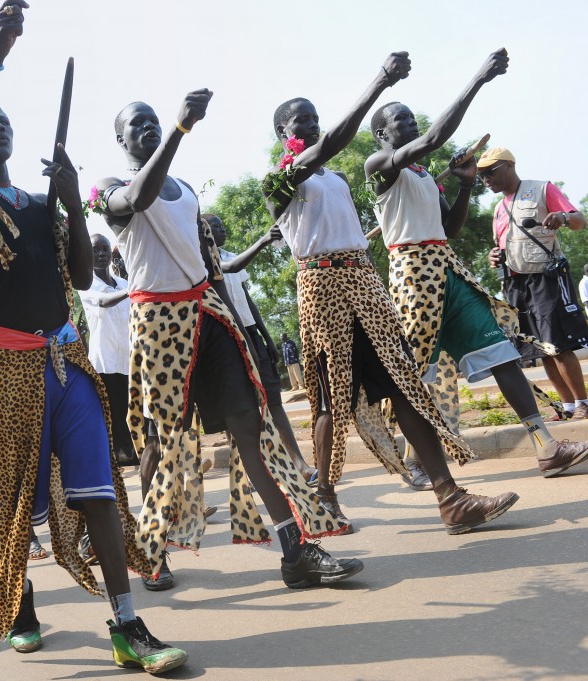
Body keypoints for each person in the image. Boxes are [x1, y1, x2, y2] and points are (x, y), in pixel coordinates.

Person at [0, 3, 187, 674]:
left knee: (98, 487)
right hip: (10, 363)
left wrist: (72, 200)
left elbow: (78, 271)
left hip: (68, 357)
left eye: (6, 121)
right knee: (14, 496)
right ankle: (17, 604)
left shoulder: (41, 203)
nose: (1, 128)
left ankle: (128, 624)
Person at [97, 89, 358, 597]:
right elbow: (139, 199)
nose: (148, 128)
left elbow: (210, 264)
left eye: (154, 121)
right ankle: (154, 552)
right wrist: (178, 128)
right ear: (120, 139)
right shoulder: (111, 187)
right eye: (138, 125)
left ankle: (295, 551)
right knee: (164, 441)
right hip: (158, 324)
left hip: (209, 316)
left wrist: (240, 330)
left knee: (251, 428)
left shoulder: (187, 188)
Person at [264, 51, 519, 535]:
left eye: (317, 119)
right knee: (329, 401)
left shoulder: (335, 179)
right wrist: (378, 84)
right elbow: (331, 146)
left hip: (366, 283)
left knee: (406, 384)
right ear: (284, 134)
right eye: (303, 121)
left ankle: (451, 499)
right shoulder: (280, 180)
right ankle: (323, 499)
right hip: (322, 290)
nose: (314, 127)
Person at [366, 51, 588, 481]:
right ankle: (413, 460)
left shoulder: (424, 174)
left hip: (446, 270)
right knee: (416, 374)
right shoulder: (379, 169)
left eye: (413, 119)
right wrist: (478, 80)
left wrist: (466, 185)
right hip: (411, 275)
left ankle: (547, 447)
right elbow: (432, 138)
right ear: (381, 134)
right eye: (402, 120)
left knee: (501, 353)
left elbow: (448, 227)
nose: (411, 124)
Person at [204, 213, 318, 484]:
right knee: (237, 409)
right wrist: (265, 240)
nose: (221, 229)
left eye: (221, 224)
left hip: (250, 332)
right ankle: (249, 473)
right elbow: (227, 267)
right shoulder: (203, 259)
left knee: (273, 399)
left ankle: (299, 464)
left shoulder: (232, 253)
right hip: (225, 339)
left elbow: (246, 298)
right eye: (215, 226)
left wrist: (265, 337)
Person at [481, 147, 588, 420]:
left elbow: (579, 221)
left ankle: (583, 403)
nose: (485, 179)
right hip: (515, 285)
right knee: (541, 349)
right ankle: (566, 406)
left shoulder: (542, 189)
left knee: (558, 344)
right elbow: (502, 244)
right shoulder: (498, 209)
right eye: (481, 176)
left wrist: (562, 218)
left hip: (545, 278)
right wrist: (495, 255)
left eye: (490, 172)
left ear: (508, 165)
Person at [76, 234, 137, 467]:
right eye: (95, 250)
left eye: (104, 249)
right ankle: (120, 459)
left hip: (131, 358)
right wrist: (134, 290)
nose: (101, 254)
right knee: (115, 412)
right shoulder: (86, 285)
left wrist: (132, 287)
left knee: (134, 410)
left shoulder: (123, 283)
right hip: (106, 361)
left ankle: (135, 454)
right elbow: (103, 301)